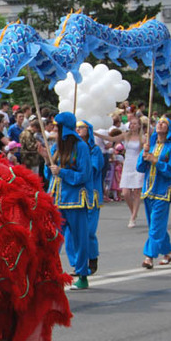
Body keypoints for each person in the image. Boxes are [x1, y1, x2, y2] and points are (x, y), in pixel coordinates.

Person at [46, 112, 92, 289]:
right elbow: (49, 174)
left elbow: (85, 174)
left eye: (57, 127)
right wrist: (46, 161)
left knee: (80, 239)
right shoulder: (55, 148)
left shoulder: (81, 147)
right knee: (53, 237)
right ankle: (52, 272)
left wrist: (62, 172)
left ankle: (82, 274)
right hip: (57, 199)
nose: (54, 130)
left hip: (76, 200)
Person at [138, 116, 171, 269]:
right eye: (159, 122)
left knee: (156, 225)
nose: (160, 124)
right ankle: (167, 251)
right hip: (148, 190)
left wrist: (156, 161)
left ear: (168, 128)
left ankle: (149, 256)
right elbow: (140, 168)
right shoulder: (150, 146)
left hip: (162, 191)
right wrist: (145, 156)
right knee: (155, 225)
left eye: (164, 123)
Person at [97, 115, 145, 227]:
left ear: (139, 126)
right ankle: (133, 211)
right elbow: (111, 139)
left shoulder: (143, 138)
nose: (132, 125)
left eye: (135, 124)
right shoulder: (125, 135)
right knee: (125, 193)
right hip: (127, 164)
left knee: (137, 192)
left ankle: (133, 217)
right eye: (131, 123)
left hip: (138, 164)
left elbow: (145, 151)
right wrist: (96, 134)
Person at [76, 120, 103, 281]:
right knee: (78, 232)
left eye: (81, 127)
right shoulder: (73, 150)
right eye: (76, 127)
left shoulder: (95, 150)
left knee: (89, 231)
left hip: (92, 194)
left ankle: (92, 257)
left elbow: (92, 169)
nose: (78, 129)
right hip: (77, 196)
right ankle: (80, 263)